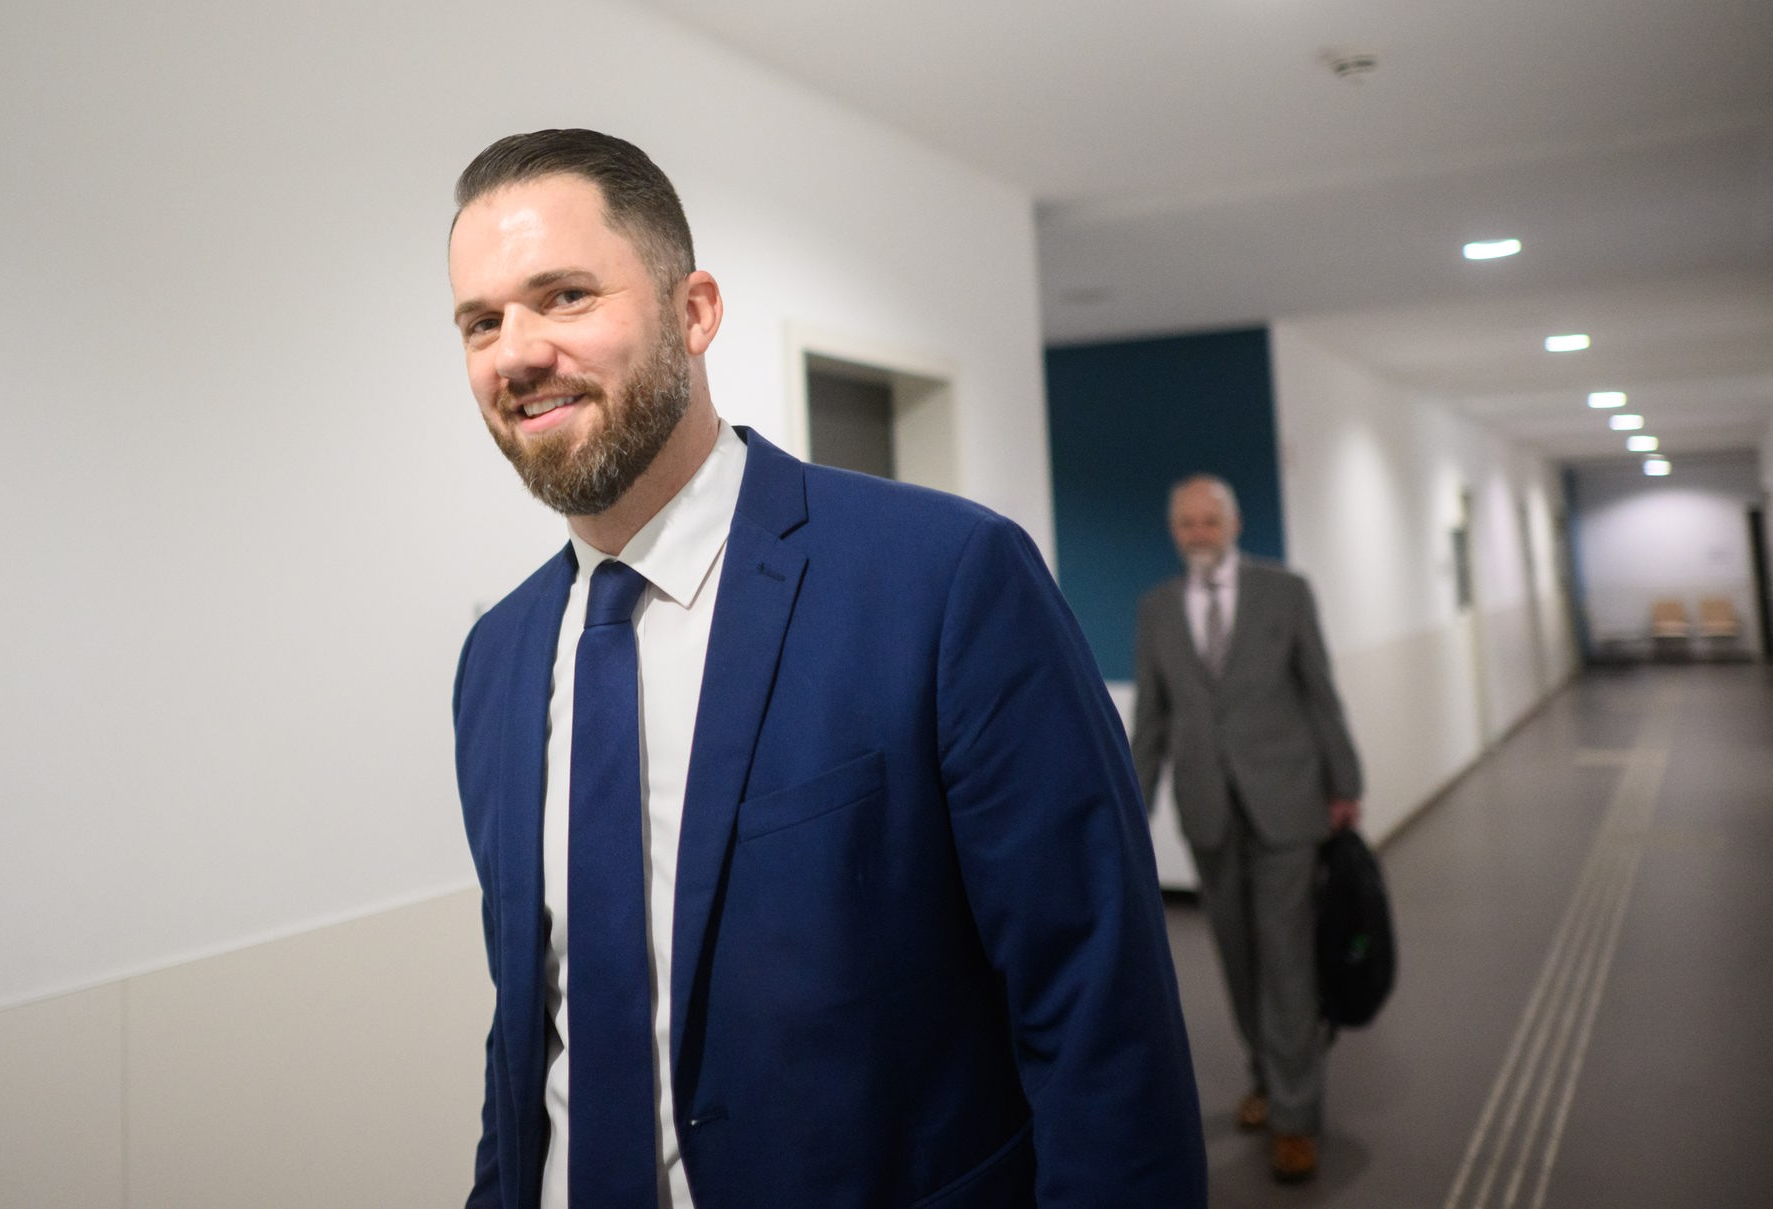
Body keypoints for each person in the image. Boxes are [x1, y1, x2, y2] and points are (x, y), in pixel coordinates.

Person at [446, 128, 1206, 1209]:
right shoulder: (499, 663)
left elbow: (1097, 1009)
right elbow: (530, 1028)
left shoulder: (945, 579)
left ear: (694, 311)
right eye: (482, 321)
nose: (516, 352)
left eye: (564, 295)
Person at [1130, 474, 1363, 1185]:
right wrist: (1129, 811)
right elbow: (1152, 720)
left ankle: (1296, 1118)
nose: (1198, 533)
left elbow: (1320, 690)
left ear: (1232, 524)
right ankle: (1267, 1074)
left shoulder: (1285, 593)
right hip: (1208, 810)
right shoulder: (1157, 608)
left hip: (1287, 804)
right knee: (1237, 958)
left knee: (1287, 958)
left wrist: (1344, 782)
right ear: (1175, 531)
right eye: (1186, 523)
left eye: (1209, 521)